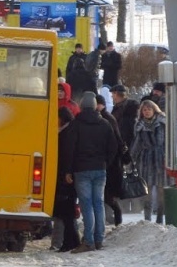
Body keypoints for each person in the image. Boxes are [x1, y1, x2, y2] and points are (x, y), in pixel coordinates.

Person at [63, 91, 118, 253]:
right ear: (95, 106)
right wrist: (105, 162)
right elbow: (113, 147)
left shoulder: (75, 124)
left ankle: (88, 241)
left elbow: (69, 149)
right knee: (98, 204)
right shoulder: (105, 124)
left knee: (86, 205)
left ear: (81, 106)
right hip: (100, 169)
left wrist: (68, 171)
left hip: (81, 170)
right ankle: (99, 239)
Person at [130, 99, 167, 224]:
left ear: (154, 109)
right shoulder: (140, 126)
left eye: (149, 109)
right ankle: (147, 219)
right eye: (144, 110)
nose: (146, 112)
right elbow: (136, 144)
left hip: (161, 159)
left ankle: (160, 218)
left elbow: (169, 141)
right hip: (146, 161)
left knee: (162, 190)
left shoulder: (162, 123)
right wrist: (130, 160)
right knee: (147, 191)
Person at [51, 107, 80, 253]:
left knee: (65, 211)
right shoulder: (69, 130)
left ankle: (70, 241)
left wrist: (67, 173)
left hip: (66, 177)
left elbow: (67, 155)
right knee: (66, 211)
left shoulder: (67, 133)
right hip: (67, 176)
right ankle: (71, 240)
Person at [96, 94, 125, 226]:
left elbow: (115, 143)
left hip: (110, 164)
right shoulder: (106, 117)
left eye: (98, 103)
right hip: (108, 162)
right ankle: (112, 218)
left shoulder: (107, 118)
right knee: (105, 195)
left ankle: (116, 217)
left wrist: (108, 161)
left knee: (107, 195)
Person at [110, 84, 139, 153]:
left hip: (128, 142)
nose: (112, 96)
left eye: (113, 94)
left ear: (117, 94)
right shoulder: (116, 107)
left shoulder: (131, 106)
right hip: (118, 142)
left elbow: (131, 126)